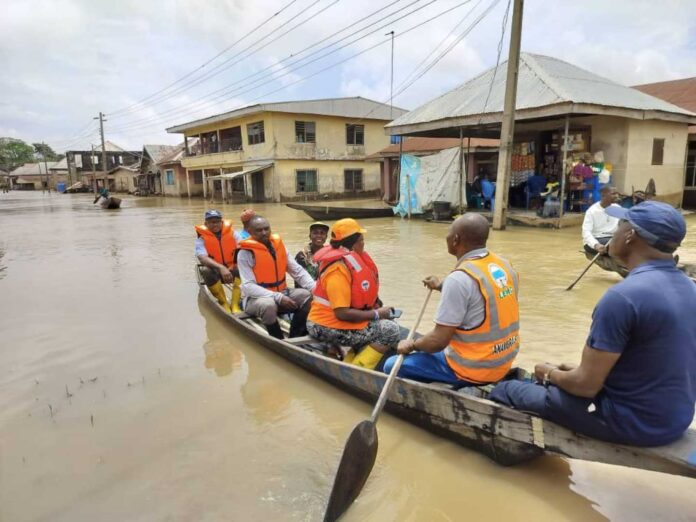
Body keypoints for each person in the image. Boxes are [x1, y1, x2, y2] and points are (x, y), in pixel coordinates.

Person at [491, 201, 696, 447]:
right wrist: (575, 370)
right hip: (676, 419)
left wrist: (549, 373)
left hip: (633, 424)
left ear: (630, 236)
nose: (613, 232)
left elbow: (585, 387)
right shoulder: (690, 288)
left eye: (619, 225)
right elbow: (651, 360)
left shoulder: (622, 297)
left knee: (508, 389)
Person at [383, 213, 520, 384]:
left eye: (448, 233)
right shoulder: (503, 265)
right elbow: (484, 298)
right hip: (504, 361)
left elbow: (438, 342)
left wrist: (411, 344)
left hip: (474, 368)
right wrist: (441, 285)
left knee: (391, 365)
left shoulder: (458, 279)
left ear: (455, 239)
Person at [306, 218, 400, 370]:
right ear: (353, 243)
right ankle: (355, 371)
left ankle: (349, 362)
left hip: (333, 321)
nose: (364, 243)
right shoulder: (338, 269)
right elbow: (342, 313)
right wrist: (376, 314)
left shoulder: (348, 261)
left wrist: (376, 310)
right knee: (390, 331)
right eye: (361, 240)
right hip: (324, 325)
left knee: (384, 325)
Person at [237, 215, 315, 339]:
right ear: (250, 232)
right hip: (255, 298)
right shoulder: (245, 253)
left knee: (308, 297)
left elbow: (297, 271)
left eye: (266, 229)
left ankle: (295, 335)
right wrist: (278, 297)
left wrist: (315, 289)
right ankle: (277, 339)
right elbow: (248, 286)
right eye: (259, 230)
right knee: (268, 305)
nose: (264, 233)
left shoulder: (279, 246)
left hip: (281, 292)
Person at [195, 210, 243, 313]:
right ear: (206, 224)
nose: (215, 224)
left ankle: (235, 304)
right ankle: (223, 302)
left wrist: (234, 266)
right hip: (215, 271)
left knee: (243, 266)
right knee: (205, 270)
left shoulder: (233, 234)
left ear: (222, 222)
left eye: (217, 221)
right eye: (211, 222)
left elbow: (243, 248)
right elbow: (202, 258)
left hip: (232, 269)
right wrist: (221, 268)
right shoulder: (201, 238)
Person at [581, 185, 627, 275]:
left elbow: (624, 224)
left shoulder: (617, 208)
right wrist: (596, 245)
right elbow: (586, 232)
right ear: (603, 194)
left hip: (613, 239)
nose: (617, 196)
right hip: (597, 240)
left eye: (617, 193)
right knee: (620, 245)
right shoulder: (592, 211)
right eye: (613, 194)